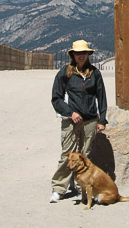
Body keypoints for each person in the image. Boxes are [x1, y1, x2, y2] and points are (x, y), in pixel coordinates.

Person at [48, 40, 108, 203]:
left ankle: (80, 185)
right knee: (67, 154)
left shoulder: (95, 73)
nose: (81, 56)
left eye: (84, 53)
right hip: (71, 121)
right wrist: (70, 112)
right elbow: (56, 98)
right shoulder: (64, 73)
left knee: (84, 155)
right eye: (78, 53)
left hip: (90, 120)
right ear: (73, 55)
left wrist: (102, 120)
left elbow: (101, 98)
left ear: (88, 54)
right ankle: (59, 188)